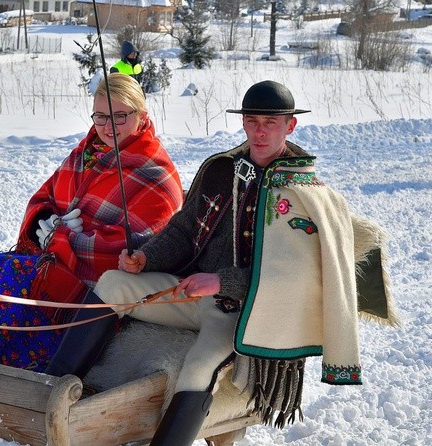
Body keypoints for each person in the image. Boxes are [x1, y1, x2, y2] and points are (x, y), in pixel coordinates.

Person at [43, 81, 384, 444]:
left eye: (271, 122)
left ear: (290, 126)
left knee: (199, 367)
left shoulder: (304, 196)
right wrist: (146, 257)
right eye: (252, 121)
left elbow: (294, 278)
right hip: (188, 293)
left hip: (243, 313)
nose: (259, 131)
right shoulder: (221, 170)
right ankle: (46, 396)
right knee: (112, 284)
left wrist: (221, 283)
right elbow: (184, 229)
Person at [0, 73, 183, 372]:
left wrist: (63, 239)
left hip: (96, 287)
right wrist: (45, 222)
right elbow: (46, 195)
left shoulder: (155, 174)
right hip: (54, 262)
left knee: (18, 278)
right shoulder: (87, 153)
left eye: (119, 116)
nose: (107, 127)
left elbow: (137, 247)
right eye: (100, 116)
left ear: (142, 115)